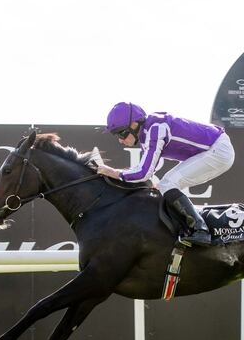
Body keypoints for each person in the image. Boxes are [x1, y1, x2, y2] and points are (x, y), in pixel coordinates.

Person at [97, 102, 235, 246]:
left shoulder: (155, 129)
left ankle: (200, 230)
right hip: (215, 148)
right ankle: (193, 228)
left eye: (121, 133)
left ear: (134, 125)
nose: (120, 140)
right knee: (165, 185)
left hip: (218, 150)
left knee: (167, 184)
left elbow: (143, 173)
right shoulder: (147, 131)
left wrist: (114, 172)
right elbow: (148, 169)